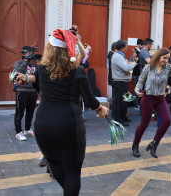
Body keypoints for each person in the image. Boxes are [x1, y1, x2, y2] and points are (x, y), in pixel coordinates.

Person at [14, 29, 108, 196]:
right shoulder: (77, 71)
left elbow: (40, 85)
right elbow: (90, 100)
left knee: (53, 162)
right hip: (68, 125)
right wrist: (101, 110)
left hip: (43, 124)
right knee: (72, 171)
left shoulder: (42, 69)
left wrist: (27, 78)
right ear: (70, 50)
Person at [133, 48, 171, 158]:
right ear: (158, 57)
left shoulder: (168, 68)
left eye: (168, 58)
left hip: (160, 99)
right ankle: (135, 144)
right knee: (144, 124)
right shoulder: (148, 67)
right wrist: (137, 90)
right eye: (164, 58)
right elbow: (140, 80)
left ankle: (154, 143)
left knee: (167, 121)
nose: (166, 60)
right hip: (148, 97)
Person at [13, 46, 39, 141]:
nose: (31, 54)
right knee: (20, 112)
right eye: (28, 52)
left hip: (32, 91)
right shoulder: (19, 63)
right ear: (24, 53)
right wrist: (25, 61)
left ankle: (27, 129)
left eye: (32, 52)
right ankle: (18, 132)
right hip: (22, 91)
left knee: (30, 112)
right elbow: (17, 74)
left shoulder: (34, 65)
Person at [111, 39, 138, 126]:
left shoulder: (119, 56)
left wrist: (132, 61)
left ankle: (123, 117)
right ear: (122, 48)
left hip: (123, 82)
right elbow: (126, 68)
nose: (127, 49)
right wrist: (134, 63)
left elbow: (125, 65)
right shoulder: (118, 57)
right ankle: (118, 120)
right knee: (120, 102)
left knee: (125, 101)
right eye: (126, 47)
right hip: (120, 82)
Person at [131, 39, 144, 109]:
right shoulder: (136, 52)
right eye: (141, 45)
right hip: (136, 73)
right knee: (137, 89)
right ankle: (136, 104)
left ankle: (137, 103)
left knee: (139, 89)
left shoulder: (139, 51)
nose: (142, 46)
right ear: (138, 44)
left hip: (139, 73)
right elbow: (135, 60)